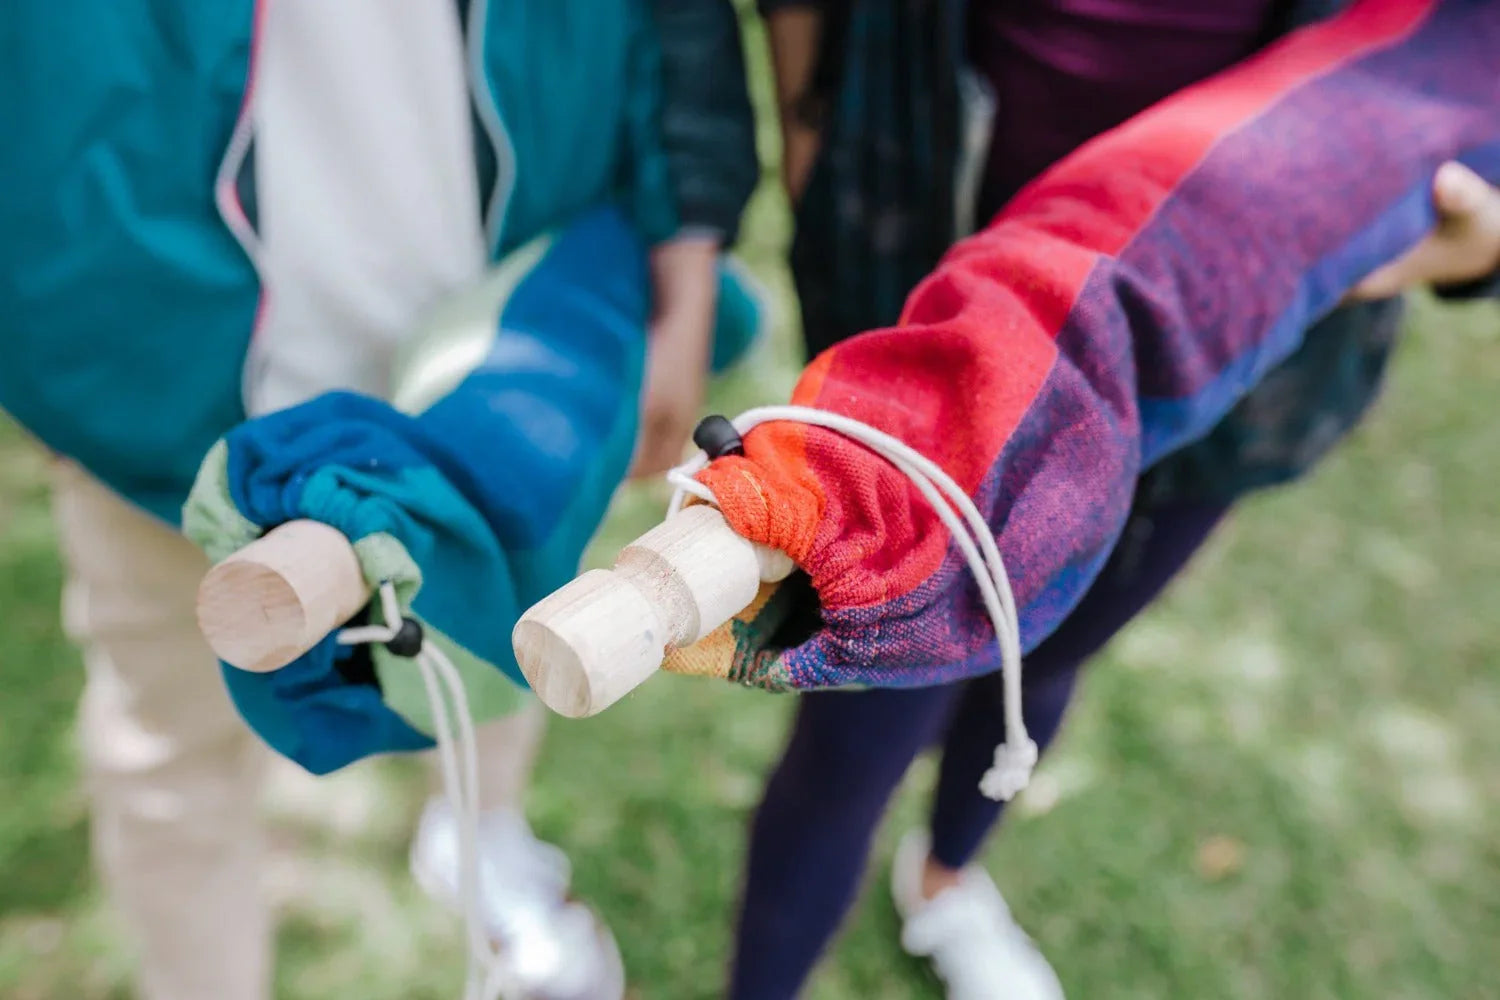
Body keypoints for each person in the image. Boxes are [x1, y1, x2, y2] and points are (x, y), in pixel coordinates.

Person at [706, 1, 1500, 997]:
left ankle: (946, 880)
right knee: (859, 723)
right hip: (945, 310)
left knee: (1048, 651)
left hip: (1242, 370)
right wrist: (810, 118)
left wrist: (1475, 247)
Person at [0, 2, 757, 998]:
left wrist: (687, 249)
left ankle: (481, 846)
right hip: (163, 369)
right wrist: (52, 331)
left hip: (495, 325)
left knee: (495, 633)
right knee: (171, 737)